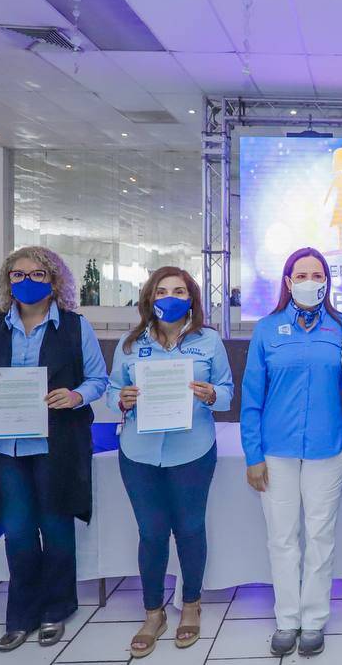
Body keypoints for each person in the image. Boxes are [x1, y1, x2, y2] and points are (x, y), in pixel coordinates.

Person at [0, 246, 108, 651]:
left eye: (38, 274)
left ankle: (56, 609)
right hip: (5, 447)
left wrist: (75, 396)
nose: (27, 281)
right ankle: (21, 615)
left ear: (54, 281)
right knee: (18, 531)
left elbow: (98, 380)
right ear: (8, 281)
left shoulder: (75, 326)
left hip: (56, 444)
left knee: (56, 527)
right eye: (18, 275)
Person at [241, 247, 342, 657]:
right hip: (275, 450)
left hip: (327, 448)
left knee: (319, 536)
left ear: (327, 282)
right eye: (301, 275)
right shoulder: (267, 329)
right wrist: (253, 455)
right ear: (288, 281)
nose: (310, 281)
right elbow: (251, 398)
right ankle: (286, 619)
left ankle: (313, 620)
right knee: (282, 538)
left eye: (317, 275)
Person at [107, 267, 233, 658]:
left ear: (191, 298)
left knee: (191, 529)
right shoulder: (130, 344)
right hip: (139, 453)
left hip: (192, 450)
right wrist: (121, 400)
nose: (170, 298)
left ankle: (191, 605)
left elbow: (227, 393)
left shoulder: (209, 341)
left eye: (179, 291)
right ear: (149, 298)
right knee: (151, 534)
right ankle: (153, 613)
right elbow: (112, 392)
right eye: (161, 291)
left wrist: (211, 394)